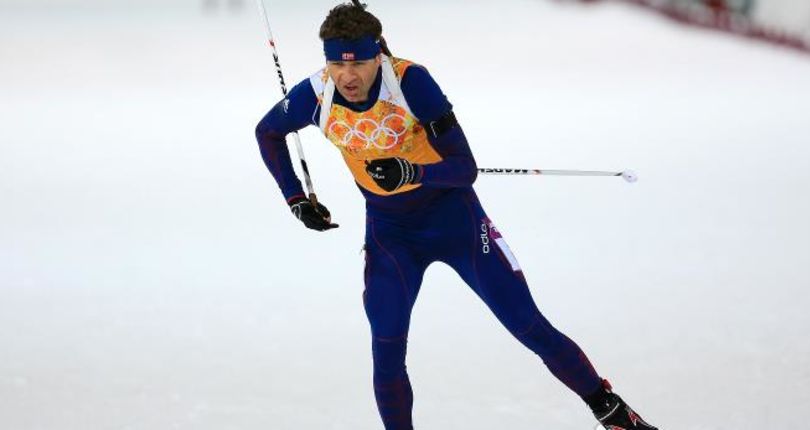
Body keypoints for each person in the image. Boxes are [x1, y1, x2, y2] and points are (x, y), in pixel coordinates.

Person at [254, 3, 659, 429]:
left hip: (455, 221)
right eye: (335, 63)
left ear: (379, 57)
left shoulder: (410, 82)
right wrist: (297, 198)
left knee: (527, 324)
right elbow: (268, 132)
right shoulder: (316, 93)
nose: (346, 77)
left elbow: (464, 168)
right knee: (387, 348)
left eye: (357, 64)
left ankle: (613, 412)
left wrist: (412, 171)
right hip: (392, 235)